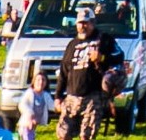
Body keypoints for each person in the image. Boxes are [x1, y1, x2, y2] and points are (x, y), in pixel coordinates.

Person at [53, 9, 123, 140]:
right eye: (80, 23)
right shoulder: (72, 44)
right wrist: (58, 96)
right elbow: (63, 72)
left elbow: (119, 57)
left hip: (93, 96)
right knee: (63, 135)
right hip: (71, 97)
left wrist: (102, 58)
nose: (83, 26)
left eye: (86, 23)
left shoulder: (104, 39)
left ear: (93, 23)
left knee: (87, 136)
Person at [16, 71, 55, 140]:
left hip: (34, 126)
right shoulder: (29, 93)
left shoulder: (45, 95)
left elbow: (52, 105)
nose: (41, 82)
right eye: (38, 80)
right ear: (34, 81)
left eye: (43, 80)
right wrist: (30, 115)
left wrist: (62, 106)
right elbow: (22, 104)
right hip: (26, 124)